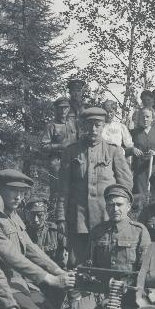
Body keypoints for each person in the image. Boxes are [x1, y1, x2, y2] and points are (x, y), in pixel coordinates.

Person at [0, 170, 75, 309]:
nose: (18, 197)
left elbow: (31, 248)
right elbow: (13, 257)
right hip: (2, 284)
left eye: (22, 192)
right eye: (13, 191)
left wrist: (57, 271)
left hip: (20, 281)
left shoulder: (13, 215)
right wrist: (49, 278)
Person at [65, 184, 155, 309]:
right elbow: (87, 262)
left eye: (119, 204)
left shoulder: (139, 231)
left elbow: (145, 268)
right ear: (106, 207)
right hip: (102, 290)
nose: (115, 209)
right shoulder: (97, 231)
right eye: (111, 205)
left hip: (130, 292)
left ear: (128, 206)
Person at [55, 107, 133, 268]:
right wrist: (61, 216)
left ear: (103, 126)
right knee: (76, 264)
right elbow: (63, 188)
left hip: (106, 218)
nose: (93, 129)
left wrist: (120, 212)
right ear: (83, 125)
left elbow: (125, 186)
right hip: (78, 219)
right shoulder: (71, 151)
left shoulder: (114, 151)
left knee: (105, 263)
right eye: (89, 125)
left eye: (97, 125)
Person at [41, 97, 73, 210]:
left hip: (73, 161)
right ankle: (52, 215)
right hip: (57, 161)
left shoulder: (73, 124)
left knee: (73, 188)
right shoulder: (51, 125)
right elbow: (44, 146)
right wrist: (60, 146)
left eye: (65, 108)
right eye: (60, 108)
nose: (63, 111)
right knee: (57, 190)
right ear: (56, 109)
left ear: (69, 109)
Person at [130, 107, 155, 195]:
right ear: (139, 118)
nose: (145, 119)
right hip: (139, 172)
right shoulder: (133, 133)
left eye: (148, 117)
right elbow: (124, 149)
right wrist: (132, 149)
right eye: (143, 116)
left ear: (152, 119)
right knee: (140, 198)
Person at [24, 198, 69, 269]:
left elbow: (67, 252)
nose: (36, 219)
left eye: (40, 215)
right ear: (27, 215)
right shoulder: (23, 232)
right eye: (32, 215)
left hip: (54, 272)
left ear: (46, 215)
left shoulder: (55, 231)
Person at [66, 78, 87, 144]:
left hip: (83, 140)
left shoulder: (86, 107)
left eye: (78, 91)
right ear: (70, 92)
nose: (76, 94)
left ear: (81, 92)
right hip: (69, 140)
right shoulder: (65, 107)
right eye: (73, 91)